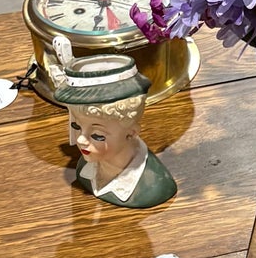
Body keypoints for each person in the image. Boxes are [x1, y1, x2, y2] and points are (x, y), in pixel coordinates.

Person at [48, 36, 177, 208]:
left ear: (131, 133)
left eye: (97, 135)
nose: (80, 139)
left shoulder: (154, 185)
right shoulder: (87, 167)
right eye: (77, 126)